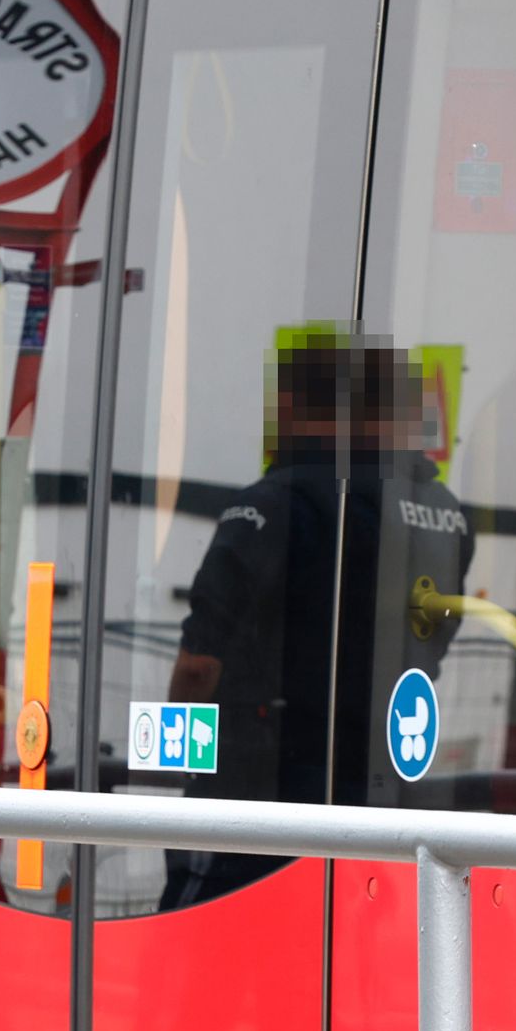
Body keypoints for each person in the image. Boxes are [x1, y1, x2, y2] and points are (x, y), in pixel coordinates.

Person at [160, 338, 473, 902]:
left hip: (261, 795)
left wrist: (169, 754)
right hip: (385, 793)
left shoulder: (279, 501)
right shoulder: (447, 514)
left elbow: (200, 666)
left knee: (207, 946)